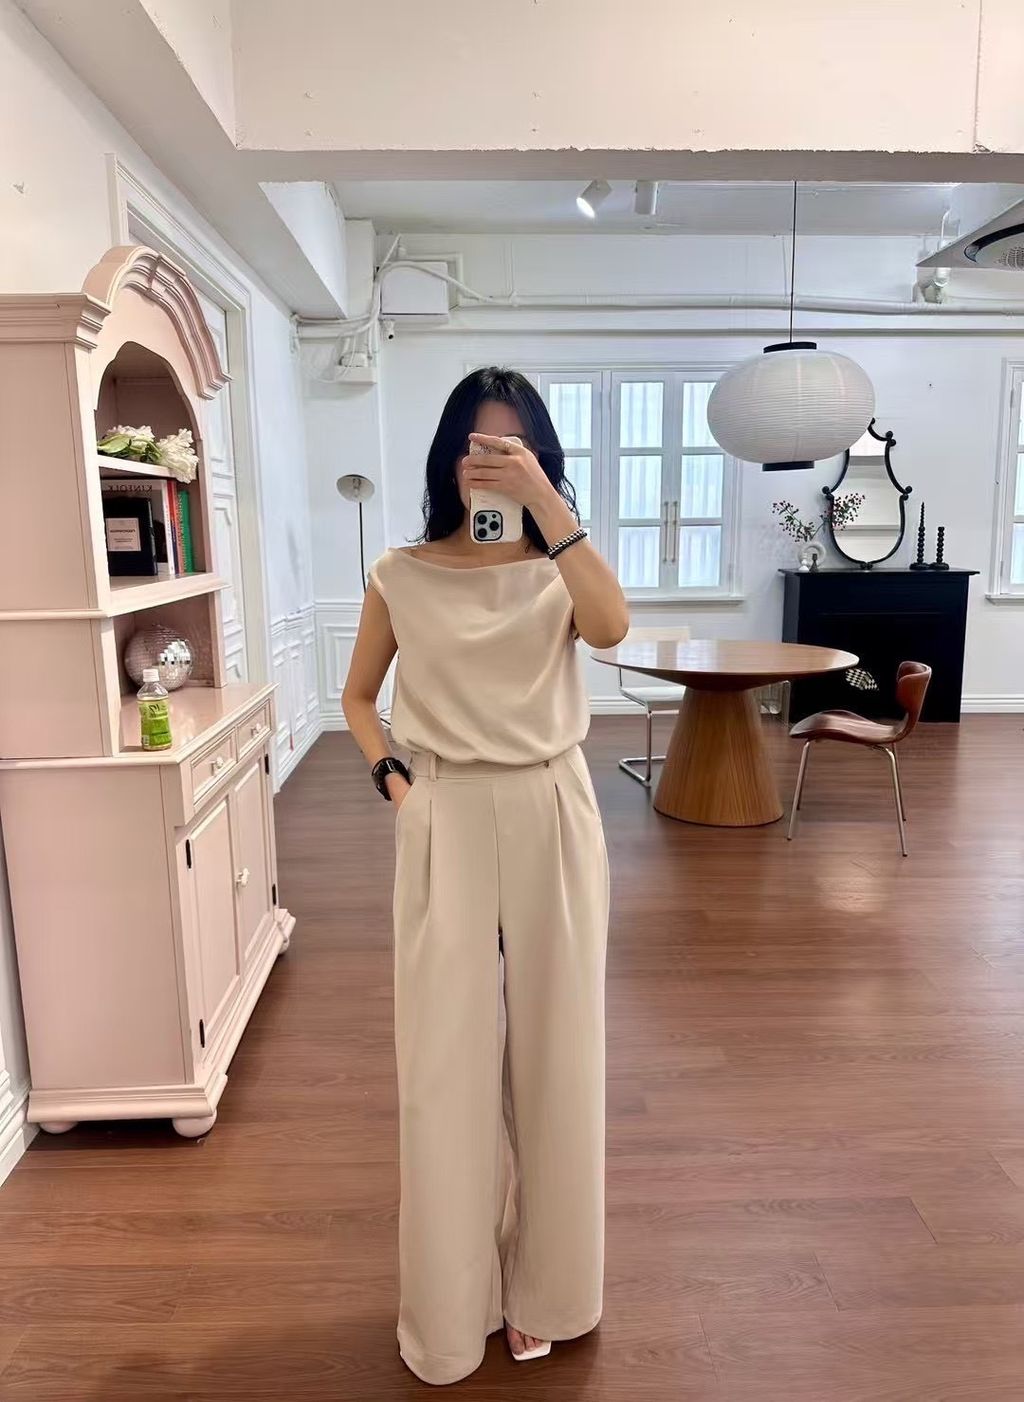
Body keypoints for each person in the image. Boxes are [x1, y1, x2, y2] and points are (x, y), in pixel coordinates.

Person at [343, 366, 629, 1385]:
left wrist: (551, 508)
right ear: (446, 457)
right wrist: (397, 786)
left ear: (543, 457)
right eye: (477, 444)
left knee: (561, 1057)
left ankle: (553, 1291)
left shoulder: (564, 568)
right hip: (445, 808)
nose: (493, 462)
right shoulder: (401, 572)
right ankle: (449, 1311)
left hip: (553, 803)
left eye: (515, 446)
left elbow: (611, 628)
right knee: (444, 1069)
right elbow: (359, 697)